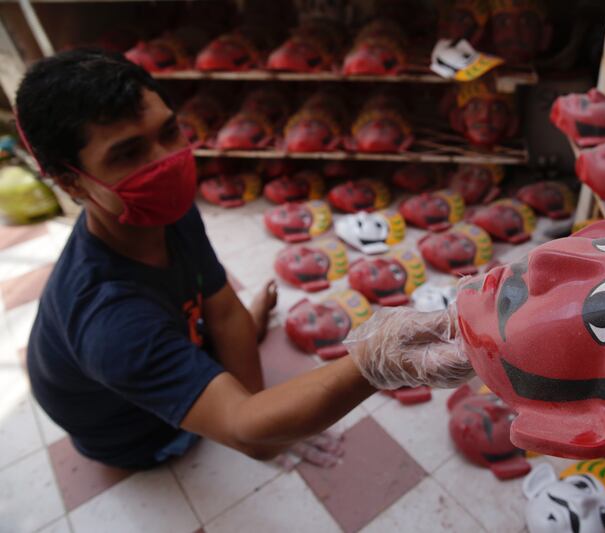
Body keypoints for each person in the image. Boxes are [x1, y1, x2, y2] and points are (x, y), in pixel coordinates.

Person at [18, 49, 472, 470]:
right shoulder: (111, 323)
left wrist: (264, 408)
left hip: (151, 346)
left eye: (169, 132)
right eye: (129, 153)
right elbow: (249, 436)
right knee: (225, 420)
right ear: (71, 183)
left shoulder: (158, 212)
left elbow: (223, 310)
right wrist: (374, 363)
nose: (168, 161)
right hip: (131, 431)